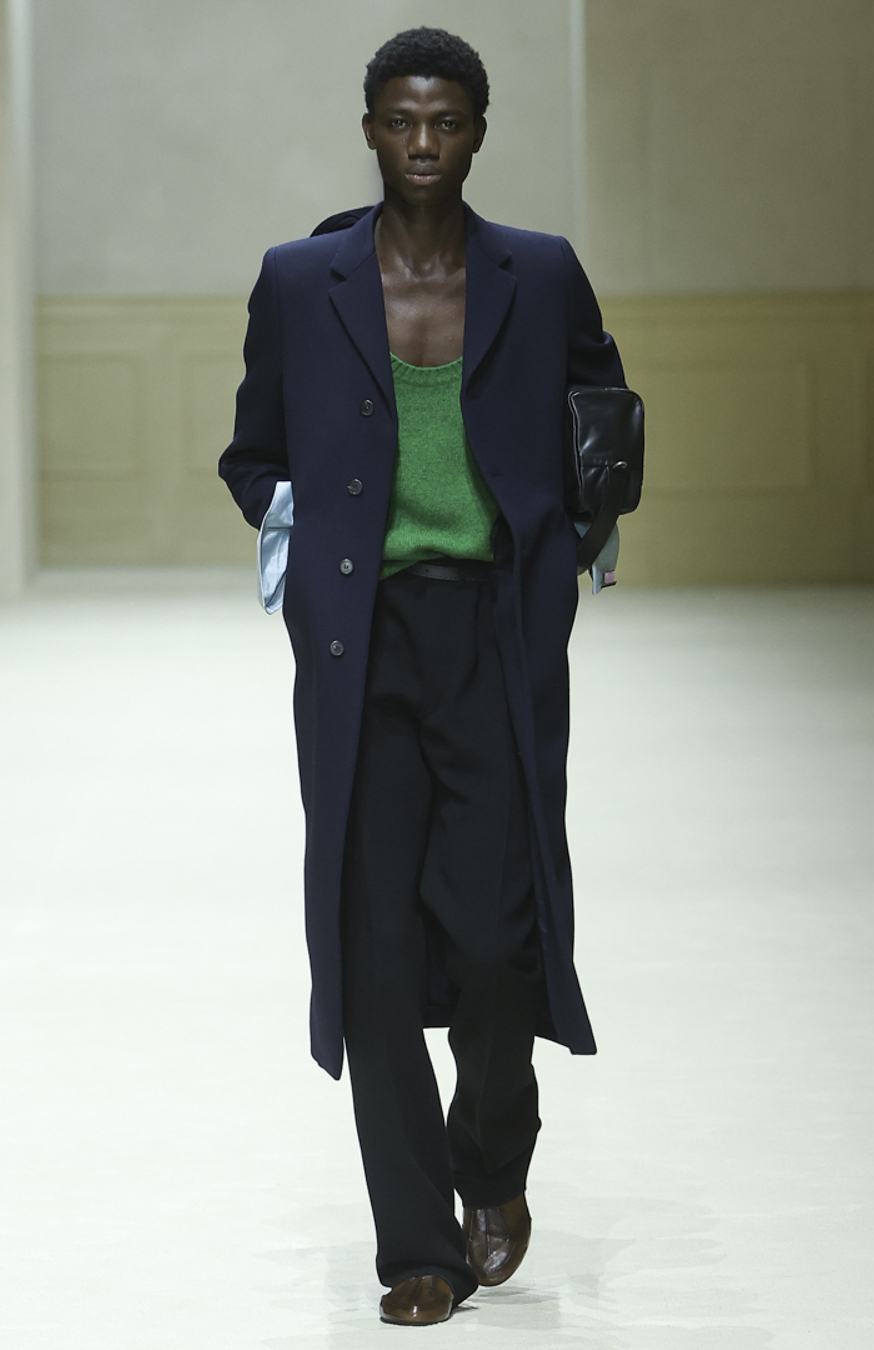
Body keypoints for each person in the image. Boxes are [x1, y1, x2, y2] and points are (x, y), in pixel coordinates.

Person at [219, 26, 625, 1327]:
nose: (423, 145)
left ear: (479, 132)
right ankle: (418, 1246)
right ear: (370, 130)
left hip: (495, 635)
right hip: (361, 645)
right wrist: (303, 543)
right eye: (401, 121)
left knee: (499, 936)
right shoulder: (303, 280)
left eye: (446, 122)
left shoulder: (539, 273)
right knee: (375, 943)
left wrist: (571, 541)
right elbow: (254, 450)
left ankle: (492, 1158)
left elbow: (601, 416)